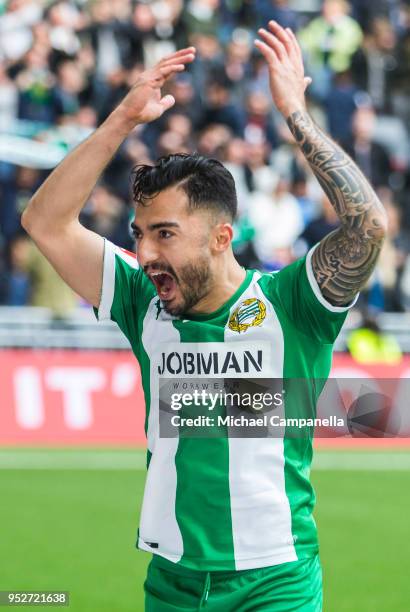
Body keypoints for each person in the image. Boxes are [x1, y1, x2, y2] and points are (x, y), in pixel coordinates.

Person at [22, 22, 387, 612]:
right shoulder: (143, 299)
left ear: (221, 237)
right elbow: (46, 222)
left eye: (165, 234)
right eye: (139, 235)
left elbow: (368, 226)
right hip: (172, 585)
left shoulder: (293, 302)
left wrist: (295, 112)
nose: (145, 254)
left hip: (276, 585)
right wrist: (122, 120)